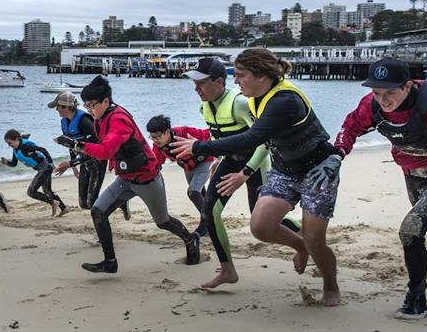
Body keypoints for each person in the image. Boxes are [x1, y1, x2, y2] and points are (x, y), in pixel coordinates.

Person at [171, 48, 340, 306]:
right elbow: (235, 137)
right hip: (285, 169)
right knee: (260, 226)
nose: (235, 81)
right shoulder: (254, 97)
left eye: (240, 75)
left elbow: (252, 138)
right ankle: (300, 246)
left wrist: (200, 148)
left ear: (261, 76)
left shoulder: (284, 100)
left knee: (316, 240)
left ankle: (331, 287)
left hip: (316, 172)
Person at [331, 57, 427, 320]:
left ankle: (417, 298)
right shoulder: (371, 106)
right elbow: (350, 127)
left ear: (408, 86)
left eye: (390, 93)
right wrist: (337, 154)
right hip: (413, 174)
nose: (383, 101)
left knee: (411, 229)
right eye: (376, 93)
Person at [57, 76, 200, 273]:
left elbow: (106, 150)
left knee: (163, 221)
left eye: (92, 105)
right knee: (97, 211)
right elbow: (104, 149)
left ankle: (190, 239)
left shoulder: (119, 120)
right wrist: (75, 157)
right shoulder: (101, 118)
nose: (89, 110)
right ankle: (110, 262)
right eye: (86, 105)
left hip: (146, 178)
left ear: (106, 101)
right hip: (125, 178)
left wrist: (75, 145)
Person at [182, 57, 300, 289]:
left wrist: (245, 173)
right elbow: (220, 138)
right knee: (209, 211)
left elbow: (264, 142)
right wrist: (219, 160)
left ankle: (304, 233)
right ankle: (228, 270)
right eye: (194, 84)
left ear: (218, 82)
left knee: (264, 219)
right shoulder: (204, 106)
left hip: (255, 164)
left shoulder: (239, 103)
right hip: (232, 161)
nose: (197, 89)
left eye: (201, 83)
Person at [48, 91, 130, 219]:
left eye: (57, 106)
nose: (56, 109)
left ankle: (120, 203)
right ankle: (118, 202)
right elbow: (71, 144)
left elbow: (96, 150)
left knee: (92, 203)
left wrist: (70, 164)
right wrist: (74, 166)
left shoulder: (85, 121)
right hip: (83, 162)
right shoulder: (65, 122)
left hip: (97, 161)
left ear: (67, 107)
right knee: (83, 204)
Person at [146, 115, 215, 234]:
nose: (156, 140)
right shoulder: (158, 147)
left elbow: (210, 135)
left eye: (158, 136)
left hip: (205, 160)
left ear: (167, 131)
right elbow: (154, 164)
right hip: (188, 167)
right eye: (152, 137)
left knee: (193, 192)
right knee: (200, 194)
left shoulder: (184, 132)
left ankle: (210, 224)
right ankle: (206, 223)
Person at [2, 129, 68, 217]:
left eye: (10, 143)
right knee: (48, 191)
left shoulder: (25, 147)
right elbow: (14, 163)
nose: (9, 145)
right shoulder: (16, 149)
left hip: (45, 168)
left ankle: (53, 202)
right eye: (8, 144)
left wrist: (51, 163)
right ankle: (64, 208)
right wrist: (6, 163)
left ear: (17, 139)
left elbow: (43, 150)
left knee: (31, 192)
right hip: (43, 169)